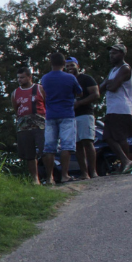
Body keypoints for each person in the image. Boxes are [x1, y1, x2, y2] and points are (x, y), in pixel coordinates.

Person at [40, 53, 83, 185]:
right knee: (66, 145)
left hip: (50, 114)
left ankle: (49, 178)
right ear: (64, 64)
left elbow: (43, 94)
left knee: (49, 148)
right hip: (67, 114)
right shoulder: (70, 78)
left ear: (51, 63)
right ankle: (65, 175)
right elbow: (79, 92)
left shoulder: (45, 78)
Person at [98, 43, 132, 174]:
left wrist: (109, 84)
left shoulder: (125, 68)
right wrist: (108, 84)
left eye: (114, 53)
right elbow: (101, 88)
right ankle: (125, 162)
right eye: (110, 53)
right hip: (112, 107)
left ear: (122, 54)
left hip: (121, 107)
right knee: (110, 137)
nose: (111, 56)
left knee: (118, 137)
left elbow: (113, 87)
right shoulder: (113, 70)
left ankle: (128, 162)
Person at [64, 57, 100, 180]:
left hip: (85, 114)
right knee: (77, 145)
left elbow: (96, 94)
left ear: (78, 66)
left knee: (88, 142)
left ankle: (93, 171)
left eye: (72, 65)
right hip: (71, 116)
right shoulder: (66, 80)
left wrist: (80, 103)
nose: (69, 68)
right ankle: (84, 173)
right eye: (67, 66)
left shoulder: (86, 79)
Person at [11, 66, 47, 185]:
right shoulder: (15, 93)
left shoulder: (39, 89)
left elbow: (46, 104)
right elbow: (16, 109)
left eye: (22, 77)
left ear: (29, 77)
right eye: (18, 78)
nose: (20, 80)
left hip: (40, 125)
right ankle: (35, 179)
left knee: (45, 151)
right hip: (23, 126)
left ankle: (50, 176)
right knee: (29, 155)